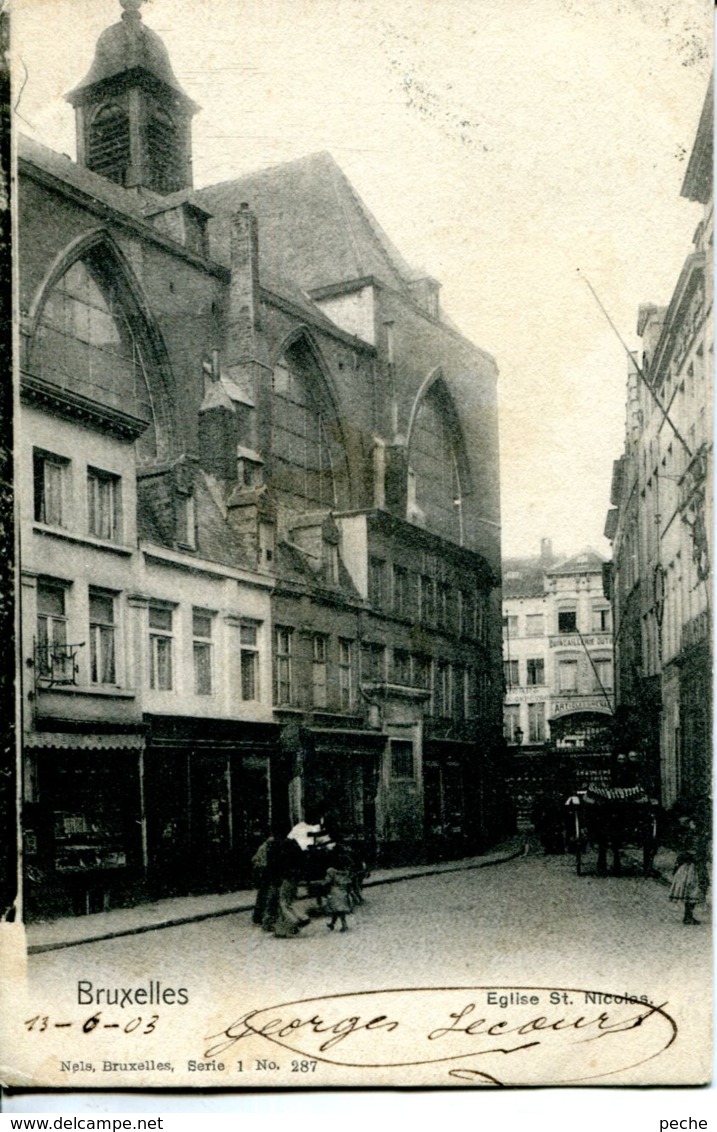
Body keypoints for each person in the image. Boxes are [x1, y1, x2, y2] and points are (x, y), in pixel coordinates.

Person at [670, 811, 709, 926]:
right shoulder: (698, 837)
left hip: (690, 866)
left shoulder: (693, 836)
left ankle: (688, 916)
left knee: (691, 892)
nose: (690, 825)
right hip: (692, 867)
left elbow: (687, 851)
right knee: (692, 892)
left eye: (691, 823)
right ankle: (688, 916)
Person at [273, 836, 310, 939]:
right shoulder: (295, 847)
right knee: (290, 901)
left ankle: (298, 919)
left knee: (283, 903)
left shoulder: (281, 848)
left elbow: (279, 864)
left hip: (286, 877)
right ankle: (282, 930)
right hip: (295, 877)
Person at [323, 845, 353, 932]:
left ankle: (344, 925)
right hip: (343, 890)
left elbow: (327, 881)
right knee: (338, 908)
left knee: (337, 908)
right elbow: (349, 881)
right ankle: (332, 923)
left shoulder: (331, 871)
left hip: (335, 890)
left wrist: (324, 887)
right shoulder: (346, 871)